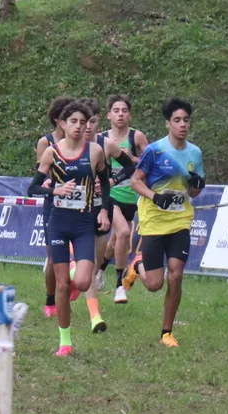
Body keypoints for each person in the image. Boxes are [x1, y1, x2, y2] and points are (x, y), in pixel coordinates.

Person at [29, 100, 112, 356]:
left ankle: (76, 269)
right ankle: (65, 342)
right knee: (63, 286)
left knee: (85, 281)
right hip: (58, 224)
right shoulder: (52, 152)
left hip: (84, 223)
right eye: (73, 122)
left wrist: (105, 210)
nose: (78, 126)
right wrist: (56, 190)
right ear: (63, 124)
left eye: (83, 122)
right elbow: (32, 188)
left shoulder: (95, 151)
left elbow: (105, 183)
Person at [123, 98, 206, 349]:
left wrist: (197, 185)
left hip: (180, 220)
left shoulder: (195, 153)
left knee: (176, 274)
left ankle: (166, 332)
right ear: (168, 123)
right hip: (154, 220)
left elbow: (193, 193)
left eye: (186, 120)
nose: (183, 125)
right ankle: (137, 265)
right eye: (177, 120)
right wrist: (155, 197)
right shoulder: (155, 150)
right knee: (154, 284)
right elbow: (135, 181)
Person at [78, 98, 137, 334]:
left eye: (92, 121)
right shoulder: (65, 145)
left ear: (98, 122)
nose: (87, 127)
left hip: (103, 203)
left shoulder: (107, 144)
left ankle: (99, 276)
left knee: (94, 263)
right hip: (73, 210)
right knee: (120, 234)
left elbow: (131, 166)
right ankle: (100, 307)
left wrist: (111, 181)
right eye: (83, 122)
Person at [96, 94, 148, 304]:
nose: (120, 114)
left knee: (116, 239)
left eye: (124, 111)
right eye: (116, 111)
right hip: (110, 195)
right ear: (108, 115)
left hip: (131, 196)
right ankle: (120, 285)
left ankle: (100, 270)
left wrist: (132, 158)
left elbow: (152, 163)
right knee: (125, 232)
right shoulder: (101, 139)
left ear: (130, 115)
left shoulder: (137, 137)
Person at [36, 96, 73, 318]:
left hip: (79, 202)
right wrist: (51, 184)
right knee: (53, 255)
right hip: (54, 202)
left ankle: (71, 287)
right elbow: (40, 175)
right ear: (58, 120)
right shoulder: (46, 143)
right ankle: (51, 300)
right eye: (67, 118)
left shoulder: (82, 142)